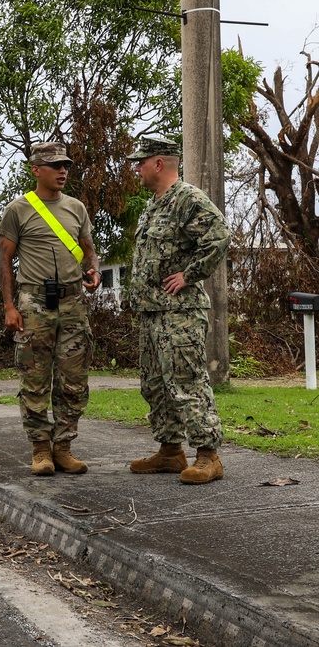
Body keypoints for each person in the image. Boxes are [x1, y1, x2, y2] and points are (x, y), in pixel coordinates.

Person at [126, 136, 231, 484]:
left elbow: (219, 235)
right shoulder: (154, 204)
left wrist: (189, 275)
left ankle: (208, 455)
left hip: (179, 311)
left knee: (186, 382)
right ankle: (170, 452)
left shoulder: (187, 198)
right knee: (155, 384)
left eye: (141, 162)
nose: (136, 168)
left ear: (159, 163)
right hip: (152, 311)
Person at [0, 143, 101, 476]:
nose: (63, 171)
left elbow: (88, 249)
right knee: (35, 377)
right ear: (35, 170)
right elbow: (4, 260)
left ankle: (64, 447)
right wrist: (10, 306)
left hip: (72, 303)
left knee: (74, 379)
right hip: (34, 303)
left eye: (66, 165)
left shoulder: (76, 208)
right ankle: (40, 448)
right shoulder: (18, 210)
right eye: (55, 165)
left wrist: (94, 269)